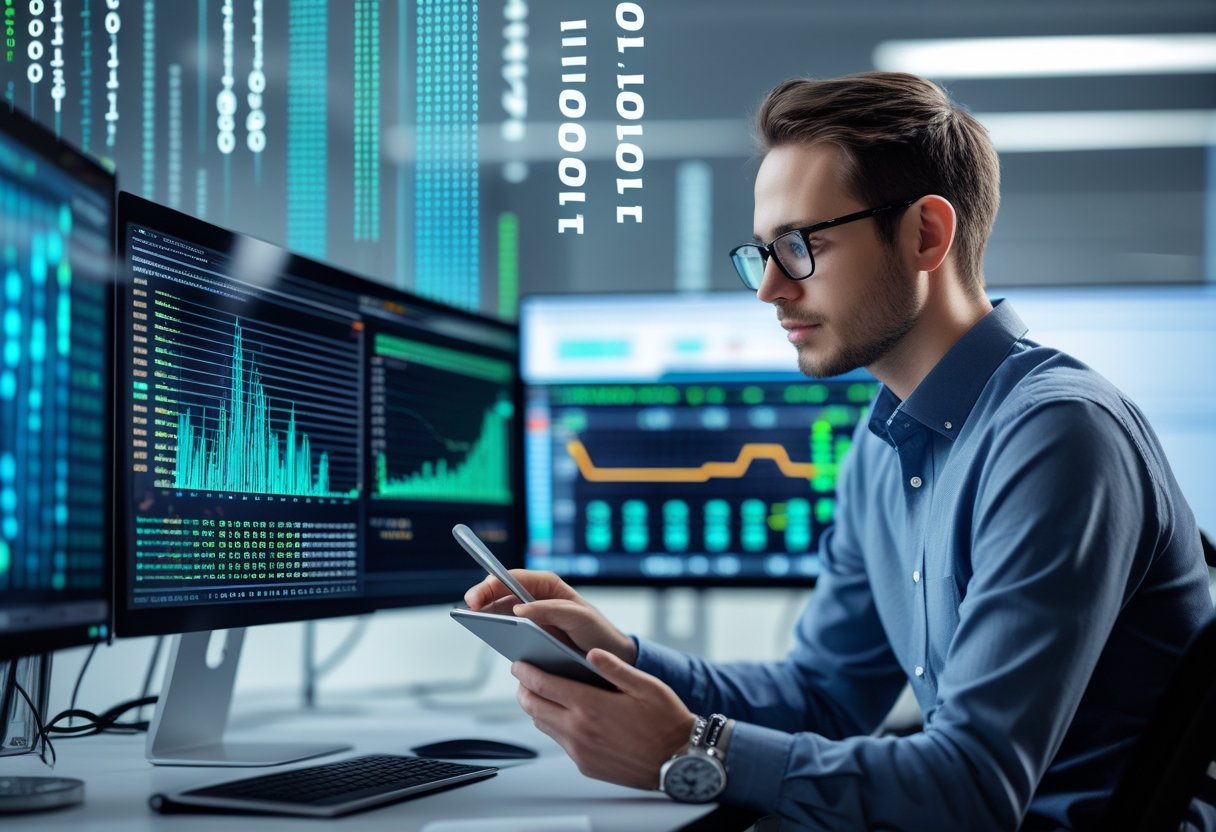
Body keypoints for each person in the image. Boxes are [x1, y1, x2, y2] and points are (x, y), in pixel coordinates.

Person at [465, 72, 1215, 830]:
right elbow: (825, 695)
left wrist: (692, 748)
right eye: (761, 252)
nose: (768, 290)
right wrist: (623, 656)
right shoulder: (887, 436)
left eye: (799, 245)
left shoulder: (1057, 435)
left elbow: (973, 788)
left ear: (926, 233)